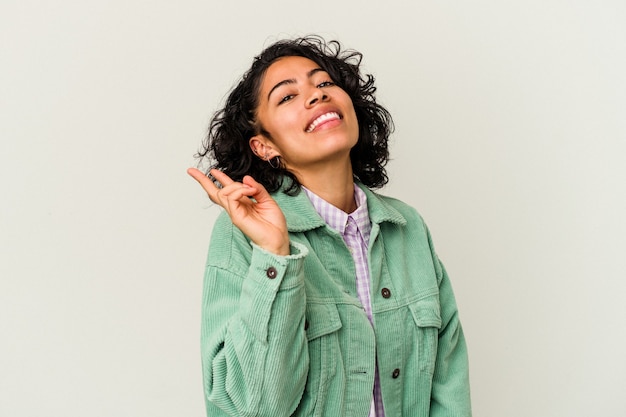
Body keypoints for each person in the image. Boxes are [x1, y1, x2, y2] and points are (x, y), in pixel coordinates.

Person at [188, 35, 471, 417]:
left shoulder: (408, 228)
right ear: (264, 146)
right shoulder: (242, 235)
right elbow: (254, 407)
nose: (317, 95)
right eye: (286, 96)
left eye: (324, 83)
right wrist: (276, 255)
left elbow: (448, 384)